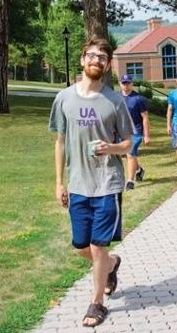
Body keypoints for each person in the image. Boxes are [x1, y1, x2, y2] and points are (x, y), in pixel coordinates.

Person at [49, 37, 134, 327]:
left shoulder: (115, 101)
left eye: (102, 58)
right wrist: (59, 182)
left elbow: (127, 143)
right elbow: (60, 142)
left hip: (107, 184)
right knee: (80, 246)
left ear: (107, 65)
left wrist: (109, 148)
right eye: (92, 56)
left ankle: (97, 303)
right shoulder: (64, 98)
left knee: (98, 246)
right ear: (83, 59)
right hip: (77, 184)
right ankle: (111, 265)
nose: (96, 61)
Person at [119, 74, 151, 191]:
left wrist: (146, 135)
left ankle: (130, 181)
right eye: (124, 83)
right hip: (121, 131)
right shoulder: (116, 98)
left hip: (135, 131)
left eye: (128, 83)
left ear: (132, 83)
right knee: (127, 156)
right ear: (120, 84)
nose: (126, 85)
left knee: (130, 153)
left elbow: (145, 117)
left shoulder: (138, 99)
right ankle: (139, 170)